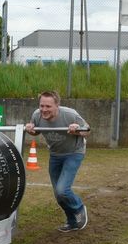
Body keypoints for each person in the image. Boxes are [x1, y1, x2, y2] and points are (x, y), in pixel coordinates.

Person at [25, 90, 90, 233]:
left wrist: (77, 129)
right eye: (42, 106)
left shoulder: (70, 114)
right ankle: (72, 222)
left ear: (57, 105)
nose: (44, 109)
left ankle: (79, 208)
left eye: (48, 106)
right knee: (59, 195)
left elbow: (87, 131)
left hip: (74, 153)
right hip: (55, 155)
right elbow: (36, 131)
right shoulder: (37, 115)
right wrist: (30, 129)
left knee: (62, 190)